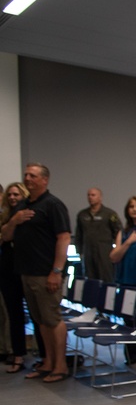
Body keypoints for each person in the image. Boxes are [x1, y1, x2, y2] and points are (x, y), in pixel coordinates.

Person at [0, 163, 72, 384]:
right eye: (26, 175)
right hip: (26, 272)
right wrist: (14, 220)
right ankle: (48, 361)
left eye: (33, 175)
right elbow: (6, 235)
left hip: (45, 273)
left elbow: (63, 238)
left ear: (45, 180)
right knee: (39, 320)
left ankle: (60, 366)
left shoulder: (53, 205)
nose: (28, 178)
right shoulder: (22, 205)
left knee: (52, 319)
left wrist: (56, 271)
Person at [109, 195, 136, 364]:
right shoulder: (124, 231)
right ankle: (135, 355)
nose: (134, 209)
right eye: (131, 206)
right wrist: (128, 242)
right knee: (129, 319)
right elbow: (114, 257)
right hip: (127, 280)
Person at [0, 183, 30, 373]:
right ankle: (17, 354)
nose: (12, 197)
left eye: (16, 194)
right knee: (13, 314)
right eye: (9, 194)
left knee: (36, 315)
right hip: (6, 269)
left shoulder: (29, 214)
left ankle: (46, 358)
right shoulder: (5, 217)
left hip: (28, 268)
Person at [75, 187, 121, 282]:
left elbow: (118, 231)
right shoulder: (82, 214)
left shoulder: (109, 214)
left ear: (100, 197)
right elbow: (78, 235)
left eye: (93, 195)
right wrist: (79, 252)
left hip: (104, 251)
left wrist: (116, 249)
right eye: (88, 195)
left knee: (106, 278)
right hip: (88, 252)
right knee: (89, 278)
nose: (90, 197)